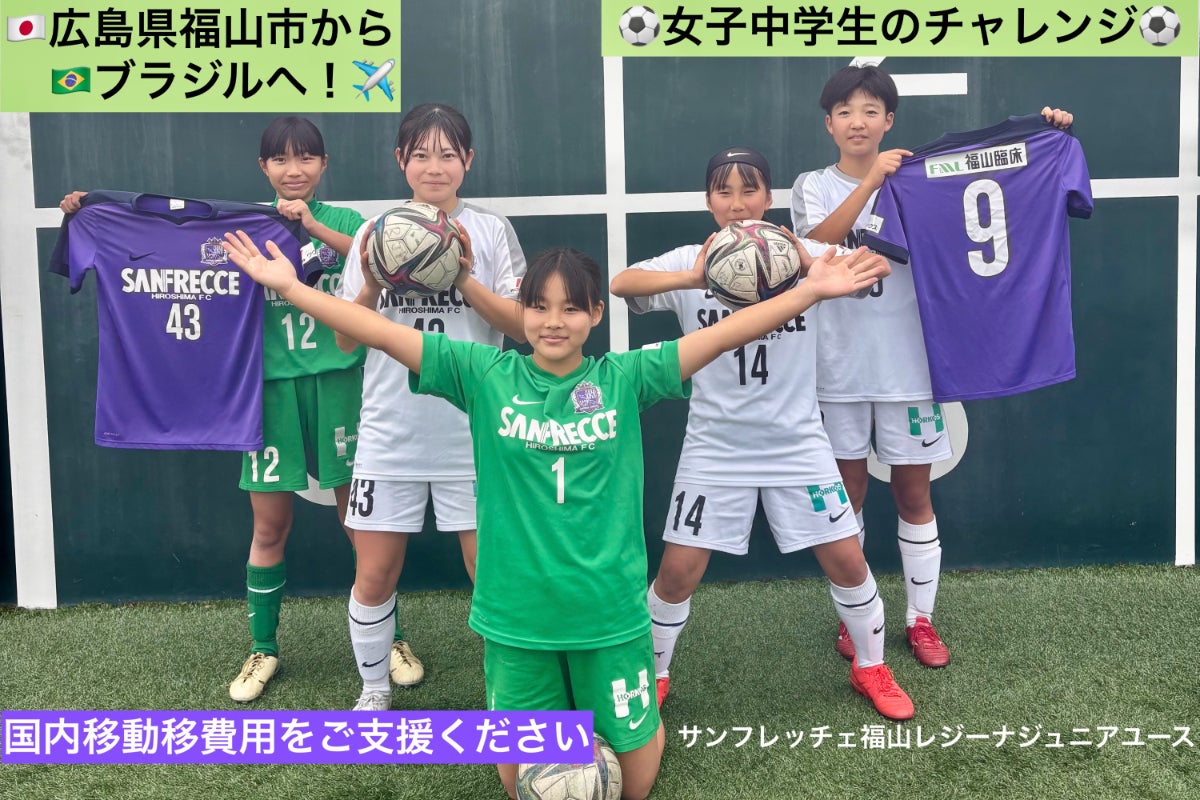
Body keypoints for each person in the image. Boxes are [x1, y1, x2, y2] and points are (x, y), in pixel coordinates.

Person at [222, 229, 889, 800]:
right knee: (523, 786)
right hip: (519, 618)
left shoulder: (626, 378)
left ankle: (592, 714)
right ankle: (567, 715)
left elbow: (724, 335)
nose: (553, 321)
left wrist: (807, 292)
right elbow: (377, 330)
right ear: (521, 311)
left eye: (571, 308)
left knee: (632, 786)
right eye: (539, 306)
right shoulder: (484, 374)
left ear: (596, 313)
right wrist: (289, 286)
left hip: (607, 614)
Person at [60, 116, 369, 702]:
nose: (294, 169)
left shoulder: (347, 222)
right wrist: (89, 207)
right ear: (263, 168)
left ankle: (389, 639)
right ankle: (263, 647)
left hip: (337, 381)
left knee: (361, 521)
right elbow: (171, 239)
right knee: (269, 524)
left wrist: (312, 227)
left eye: (306, 157)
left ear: (324, 164)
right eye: (281, 159)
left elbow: (377, 262)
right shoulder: (239, 228)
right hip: (266, 388)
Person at [611, 147, 913, 722]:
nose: (736, 203)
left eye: (749, 190)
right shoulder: (692, 257)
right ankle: (654, 675)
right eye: (723, 191)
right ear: (708, 200)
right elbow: (623, 283)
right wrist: (696, 276)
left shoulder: (800, 256)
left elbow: (875, 266)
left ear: (768, 198)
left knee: (848, 560)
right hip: (715, 446)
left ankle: (871, 666)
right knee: (676, 573)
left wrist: (816, 264)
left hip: (797, 442)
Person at [789, 65, 1074, 668]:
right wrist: (873, 182)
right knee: (847, 496)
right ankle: (856, 620)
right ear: (828, 123)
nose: (858, 121)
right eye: (845, 111)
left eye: (871, 110)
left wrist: (1044, 131)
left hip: (910, 365)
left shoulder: (922, 176)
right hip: (836, 368)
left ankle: (921, 620)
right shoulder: (812, 184)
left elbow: (997, 170)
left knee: (914, 493)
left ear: (889, 120)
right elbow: (816, 247)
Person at [333, 103, 527, 710]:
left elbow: (521, 326)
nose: (434, 166)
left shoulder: (490, 231)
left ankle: (512, 696)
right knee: (374, 574)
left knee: (491, 576)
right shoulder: (373, 232)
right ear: (401, 160)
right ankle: (373, 691)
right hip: (391, 431)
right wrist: (372, 281)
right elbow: (343, 339)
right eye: (420, 154)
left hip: (474, 433)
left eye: (447, 154)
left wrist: (462, 276)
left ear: (468, 160)